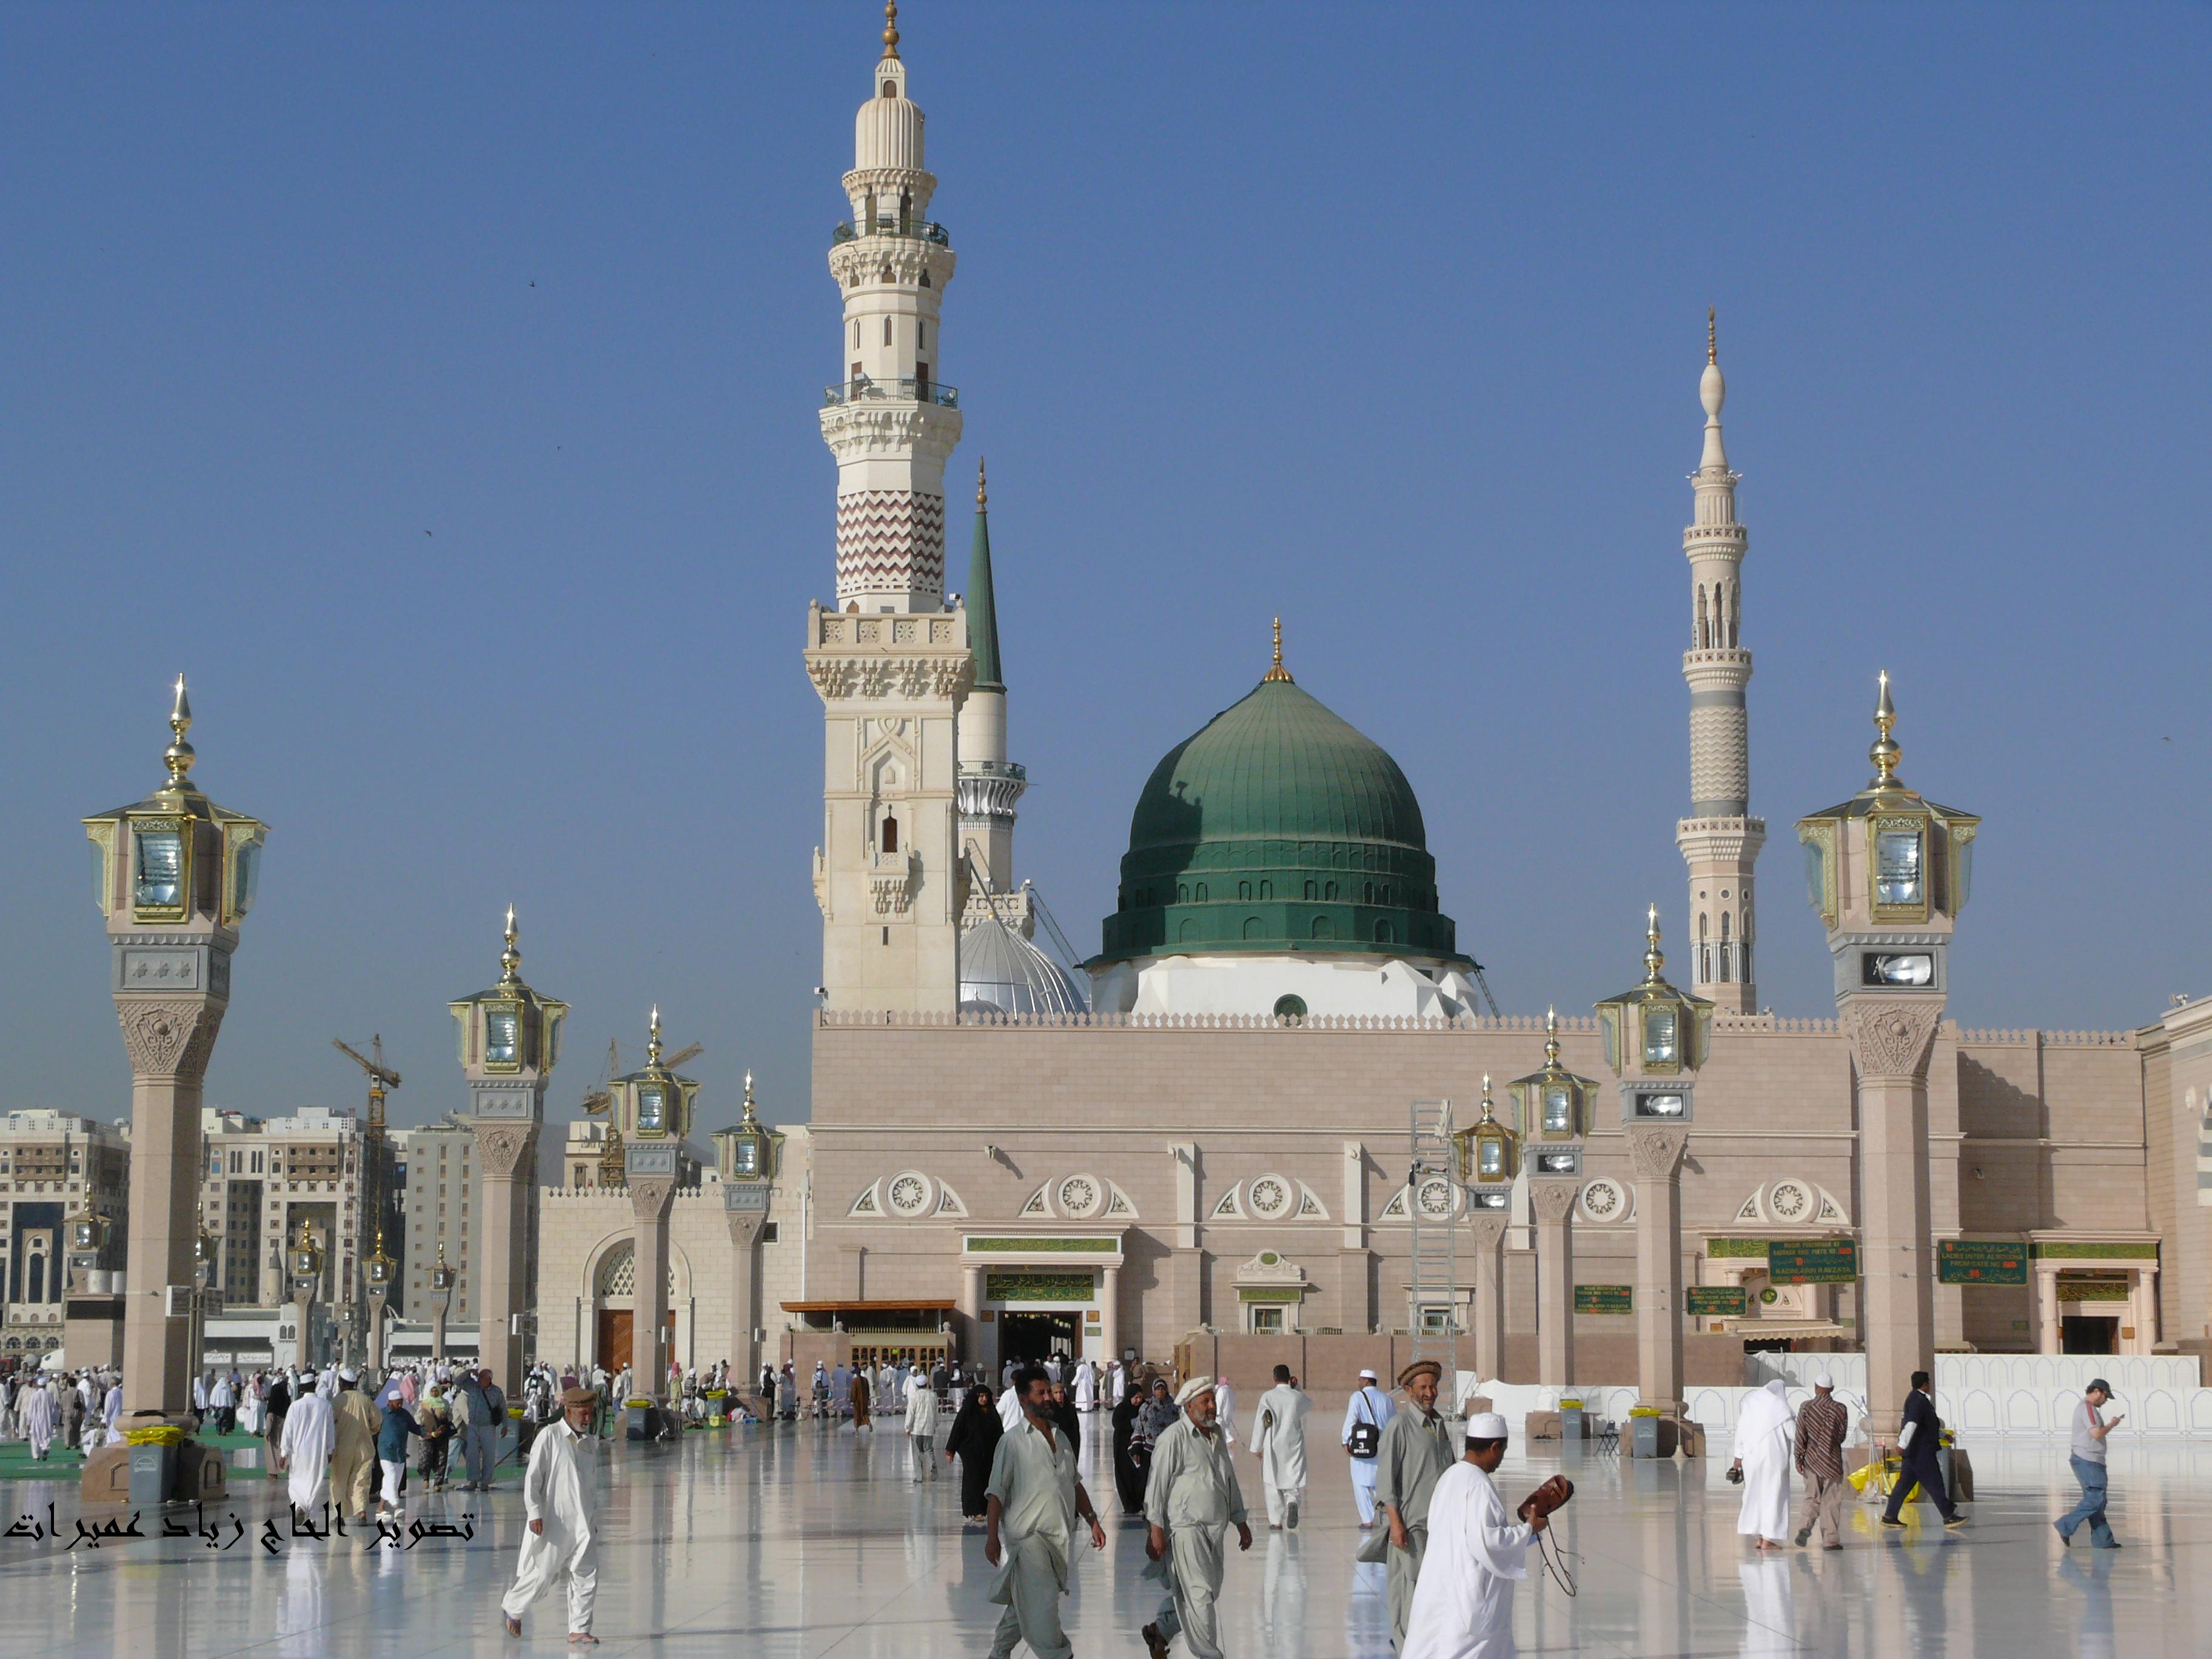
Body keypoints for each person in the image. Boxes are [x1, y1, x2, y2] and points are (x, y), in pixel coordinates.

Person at [984, 1366, 1106, 1659]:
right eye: (1041, 1392)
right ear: (1023, 1398)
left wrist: (1093, 1521)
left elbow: (1074, 1483)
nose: (1048, 1397)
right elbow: (996, 1493)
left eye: (1049, 1391)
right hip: (1028, 1538)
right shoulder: (1012, 1442)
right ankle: (1060, 1654)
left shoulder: (1060, 1438)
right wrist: (991, 1538)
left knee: (1025, 1601)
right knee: (1043, 1605)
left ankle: (998, 1654)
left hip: (1058, 1538)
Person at [1399, 1413, 1543, 1659]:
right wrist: (1528, 1529)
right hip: (1468, 1598)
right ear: (1494, 1447)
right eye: (1502, 1451)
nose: (1500, 1459)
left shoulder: (1450, 1477)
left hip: (1439, 1588)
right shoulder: (1479, 1485)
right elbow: (1487, 1542)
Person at [1141, 1378, 1252, 1659]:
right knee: (1201, 1595)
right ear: (1189, 1406)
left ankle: (1162, 1628)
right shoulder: (1174, 1438)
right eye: (1206, 1401)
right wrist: (1155, 1529)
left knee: (1207, 1592)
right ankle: (1209, 1654)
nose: (1212, 1406)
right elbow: (1157, 1486)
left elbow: (1229, 1480)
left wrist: (1240, 1521)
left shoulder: (1215, 1436)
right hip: (1184, 1527)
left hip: (1214, 1530)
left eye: (1213, 1400)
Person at [502, 1388, 601, 1644]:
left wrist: (593, 1520)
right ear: (568, 1411)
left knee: (586, 1574)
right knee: (544, 1572)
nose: (587, 1418)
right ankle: (514, 1606)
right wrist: (534, 1512)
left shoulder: (590, 1443)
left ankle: (579, 1628)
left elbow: (589, 1486)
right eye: (583, 1413)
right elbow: (533, 1479)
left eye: (590, 1413)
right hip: (554, 1520)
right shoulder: (550, 1436)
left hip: (584, 1522)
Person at [1376, 1359, 1456, 1649]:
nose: (1430, 1393)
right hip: (1411, 1526)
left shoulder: (1439, 1425)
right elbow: (1385, 1481)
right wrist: (1395, 1523)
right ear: (1408, 1390)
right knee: (1409, 1589)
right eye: (1423, 1387)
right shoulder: (1399, 1426)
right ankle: (1407, 1646)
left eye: (1433, 1386)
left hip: (1440, 1527)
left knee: (1436, 1591)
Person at [1880, 1370, 1966, 1529]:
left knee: (1904, 1485)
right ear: (1925, 1384)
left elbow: (1927, 1425)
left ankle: (1890, 1516)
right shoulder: (1918, 1401)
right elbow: (1911, 1424)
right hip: (1921, 1453)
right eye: (1929, 1383)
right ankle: (1948, 1515)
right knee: (1935, 1483)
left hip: (1914, 1454)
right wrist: (1902, 1444)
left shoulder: (1917, 1400)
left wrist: (1943, 1435)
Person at [2056, 1378, 2124, 1549]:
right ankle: (2066, 1525)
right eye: (2106, 1397)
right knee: (2095, 1499)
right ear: (2098, 1392)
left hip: (2090, 1460)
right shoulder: (2088, 1408)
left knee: (2098, 1502)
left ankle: (2103, 1541)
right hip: (2088, 1460)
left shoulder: (2088, 1408)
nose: (2106, 1401)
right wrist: (2112, 1424)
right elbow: (2097, 1433)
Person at [1730, 1377, 1794, 1552]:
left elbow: (1740, 1432)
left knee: (1755, 1495)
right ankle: (1767, 1539)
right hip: (1774, 1460)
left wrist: (1738, 1458)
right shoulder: (1780, 1408)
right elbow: (1793, 1433)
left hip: (1751, 1460)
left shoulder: (1750, 1405)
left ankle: (1758, 1537)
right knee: (1774, 1497)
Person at [1791, 1373, 1849, 1550]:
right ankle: (1831, 1540)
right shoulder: (1840, 1409)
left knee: (1812, 1498)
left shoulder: (1806, 1407)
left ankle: (1804, 1528)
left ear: (1816, 1387)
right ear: (1832, 1389)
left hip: (1811, 1461)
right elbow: (1841, 1436)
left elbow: (1800, 1435)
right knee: (1831, 1501)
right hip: (1832, 1461)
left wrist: (1798, 1458)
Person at [1252, 1364, 1312, 1530]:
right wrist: (1297, 1388)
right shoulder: (1296, 1397)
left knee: (1272, 1482)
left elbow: (1261, 1421)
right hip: (1293, 1443)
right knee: (1292, 1477)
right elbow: (1308, 1405)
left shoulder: (1268, 1397)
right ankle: (1292, 1501)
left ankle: (1276, 1521)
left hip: (1272, 1444)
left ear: (1275, 1378)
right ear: (1289, 1377)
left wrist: (1257, 1446)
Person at [278, 1371, 335, 1517]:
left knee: (296, 1481)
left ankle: (299, 1506)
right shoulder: (325, 1406)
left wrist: (284, 1453)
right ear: (314, 1386)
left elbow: (288, 1431)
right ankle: (313, 1517)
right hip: (318, 1451)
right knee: (315, 1483)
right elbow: (330, 1431)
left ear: (302, 1388)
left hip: (298, 1451)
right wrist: (330, 1451)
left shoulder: (295, 1406)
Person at [1343, 1367, 1395, 1528]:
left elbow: (1351, 1420)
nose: (1359, 1382)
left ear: (1366, 1381)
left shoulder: (1357, 1397)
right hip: (1382, 1446)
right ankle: (1385, 1515)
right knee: (1379, 1483)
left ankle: (1368, 1520)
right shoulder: (1386, 1399)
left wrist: (1345, 1441)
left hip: (1362, 1447)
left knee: (1360, 1484)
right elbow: (1394, 1422)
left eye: (1360, 1380)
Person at [331, 1368, 384, 1526]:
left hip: (342, 1447)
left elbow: (329, 1422)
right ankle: (361, 1513)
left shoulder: (338, 1400)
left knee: (339, 1481)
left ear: (341, 1383)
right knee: (361, 1481)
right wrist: (372, 1430)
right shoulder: (366, 1400)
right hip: (364, 1447)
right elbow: (377, 1420)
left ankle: (339, 1516)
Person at [947, 1382, 1005, 1522]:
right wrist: (951, 1450)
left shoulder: (992, 1412)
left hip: (989, 1454)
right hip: (971, 1454)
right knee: (974, 1482)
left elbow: (999, 1432)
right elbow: (957, 1431)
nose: (984, 1399)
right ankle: (974, 1510)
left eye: (986, 1396)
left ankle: (987, 1509)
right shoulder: (967, 1412)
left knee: (988, 1481)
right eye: (981, 1396)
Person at [376, 1392, 423, 1521]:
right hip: (386, 1452)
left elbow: (415, 1428)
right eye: (397, 1403)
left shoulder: (404, 1415)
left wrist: (427, 1433)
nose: (400, 1405)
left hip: (400, 1453)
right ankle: (396, 1507)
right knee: (391, 1477)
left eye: (401, 1402)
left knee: (393, 1481)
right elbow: (374, 1429)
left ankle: (381, 1507)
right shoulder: (382, 1414)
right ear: (390, 1402)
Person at [1111, 1381, 1151, 1515]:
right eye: (1136, 1398)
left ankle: (1140, 1502)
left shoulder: (1145, 1408)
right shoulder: (1122, 1409)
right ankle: (1129, 1505)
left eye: (1140, 1397)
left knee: (1140, 1475)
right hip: (1123, 1447)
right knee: (1125, 1474)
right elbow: (1117, 1424)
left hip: (1139, 1446)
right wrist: (1132, 1424)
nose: (1138, 1400)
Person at [905, 1365, 942, 1480]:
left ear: (917, 1385)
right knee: (929, 1450)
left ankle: (919, 1477)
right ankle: (933, 1469)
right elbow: (936, 1412)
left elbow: (910, 1413)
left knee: (917, 1453)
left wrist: (908, 1428)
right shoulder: (933, 1396)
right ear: (926, 1384)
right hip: (929, 1429)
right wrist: (935, 1424)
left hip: (916, 1429)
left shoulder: (915, 1397)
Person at [22, 1375, 56, 1461]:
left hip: (35, 1420)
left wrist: (28, 1422)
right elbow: (53, 1409)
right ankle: (45, 1449)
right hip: (47, 1419)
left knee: (35, 1437)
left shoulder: (34, 1396)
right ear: (45, 1385)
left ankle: (36, 1456)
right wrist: (54, 1421)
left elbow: (30, 1410)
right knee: (46, 1436)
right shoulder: (49, 1395)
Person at [1213, 1375, 1239, 1450]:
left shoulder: (1222, 1390)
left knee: (1220, 1428)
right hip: (1229, 1413)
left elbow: (1219, 1402)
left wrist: (1217, 1413)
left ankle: (1227, 1441)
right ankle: (1229, 1441)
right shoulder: (1231, 1391)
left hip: (1221, 1414)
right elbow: (1234, 1403)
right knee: (1226, 1428)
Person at [850, 1363, 873, 1432]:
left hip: (858, 1401)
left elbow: (854, 1392)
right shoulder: (865, 1380)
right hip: (864, 1400)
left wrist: (852, 1400)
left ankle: (857, 1430)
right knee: (864, 1413)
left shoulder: (855, 1381)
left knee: (857, 1415)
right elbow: (868, 1389)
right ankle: (869, 1423)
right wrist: (868, 1398)